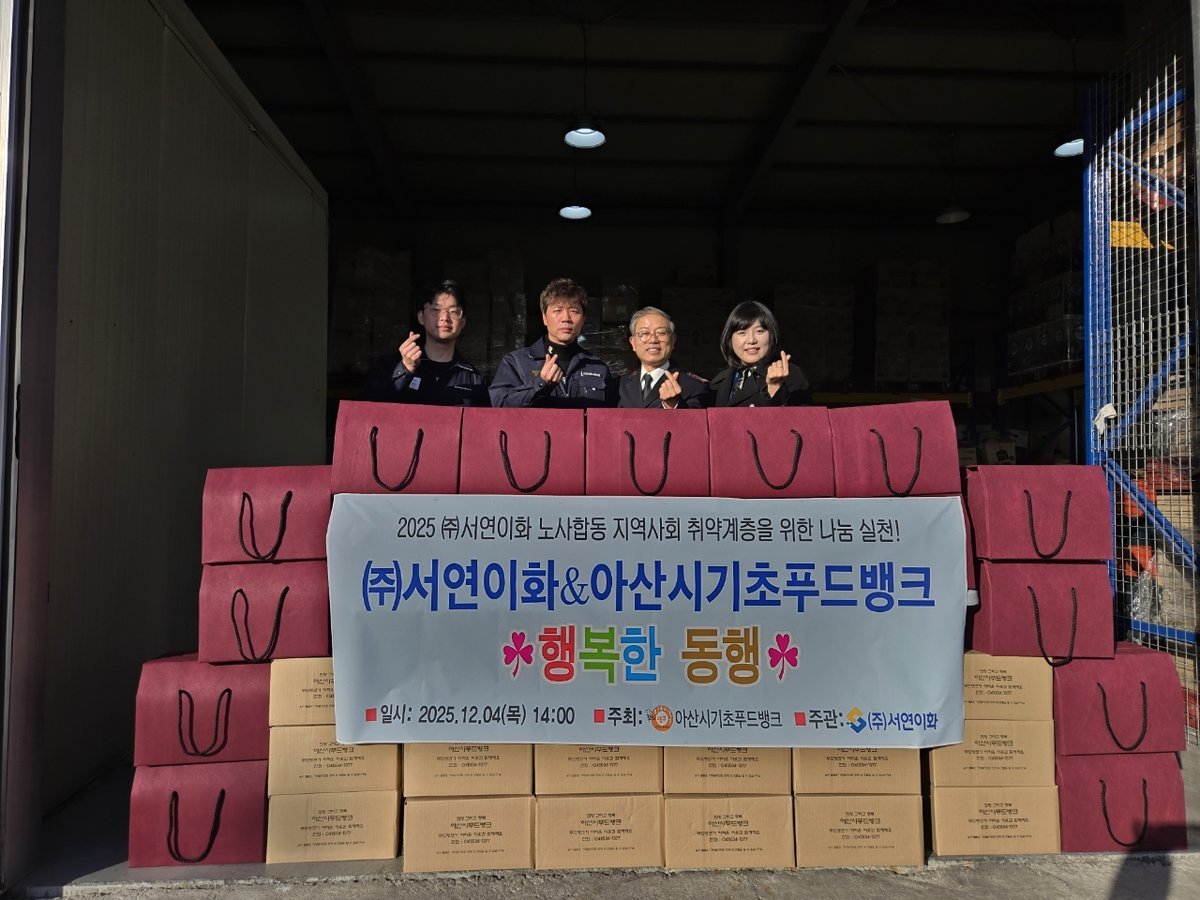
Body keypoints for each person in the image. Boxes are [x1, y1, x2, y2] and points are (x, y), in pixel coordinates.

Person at [489, 277, 615, 408]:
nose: (566, 318)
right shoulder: (516, 362)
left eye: (574, 311)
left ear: (583, 319)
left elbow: (611, 415)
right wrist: (541, 383)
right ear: (544, 317)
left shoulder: (597, 367)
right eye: (557, 310)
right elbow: (500, 405)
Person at [359, 280, 489, 406]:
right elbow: (367, 408)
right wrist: (405, 370)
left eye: (453, 312)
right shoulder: (388, 367)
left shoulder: (476, 379)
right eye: (436, 310)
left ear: (463, 322)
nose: (444, 318)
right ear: (421, 317)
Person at [709, 300, 811, 407]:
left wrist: (774, 388)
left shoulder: (789, 375)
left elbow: (800, 416)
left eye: (759, 331)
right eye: (742, 333)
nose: (751, 340)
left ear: (772, 335)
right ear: (730, 339)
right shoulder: (719, 382)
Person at [619, 306, 711, 409]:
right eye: (644, 333)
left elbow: (696, 419)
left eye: (661, 333)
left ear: (673, 341)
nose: (653, 340)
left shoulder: (694, 386)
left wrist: (673, 405)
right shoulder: (619, 385)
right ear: (633, 343)